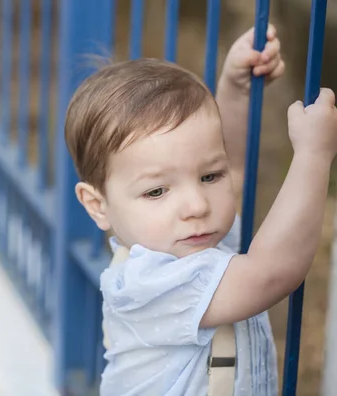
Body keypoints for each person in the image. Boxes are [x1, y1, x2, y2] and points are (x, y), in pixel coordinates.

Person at [64, 24, 337, 395]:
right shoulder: (149, 282)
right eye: (157, 191)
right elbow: (269, 274)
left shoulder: (192, 245)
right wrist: (314, 156)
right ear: (98, 206)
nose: (196, 206)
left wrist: (235, 90)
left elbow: (234, 168)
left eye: (209, 177)